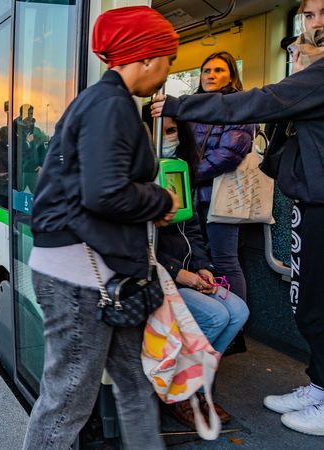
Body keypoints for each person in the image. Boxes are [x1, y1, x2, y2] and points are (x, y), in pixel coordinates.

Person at [152, 0, 324, 435]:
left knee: (315, 306)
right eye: (310, 16)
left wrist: (176, 103)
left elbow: (255, 104)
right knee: (308, 304)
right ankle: (319, 385)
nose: (316, 23)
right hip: (311, 200)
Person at [23, 7, 179, 450]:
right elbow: (104, 193)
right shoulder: (111, 105)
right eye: (167, 60)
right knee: (68, 399)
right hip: (81, 276)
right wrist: (161, 200)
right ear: (147, 58)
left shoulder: (102, 101)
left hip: (106, 276)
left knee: (133, 384)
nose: (168, 72)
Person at [144, 111, 250, 429]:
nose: (168, 137)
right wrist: (179, 272)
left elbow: (191, 230)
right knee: (217, 316)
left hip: (187, 272)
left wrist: (203, 267)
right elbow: (143, 243)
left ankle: (195, 384)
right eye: (160, 131)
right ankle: (183, 394)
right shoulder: (139, 179)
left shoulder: (180, 173)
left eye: (173, 130)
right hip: (161, 275)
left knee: (239, 311)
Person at [189, 51, 258, 302]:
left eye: (218, 70)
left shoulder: (238, 106)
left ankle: (235, 327)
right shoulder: (194, 105)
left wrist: (190, 174)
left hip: (222, 194)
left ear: (231, 76)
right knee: (199, 260)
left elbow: (229, 153)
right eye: (206, 70)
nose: (211, 75)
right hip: (195, 195)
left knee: (225, 261)